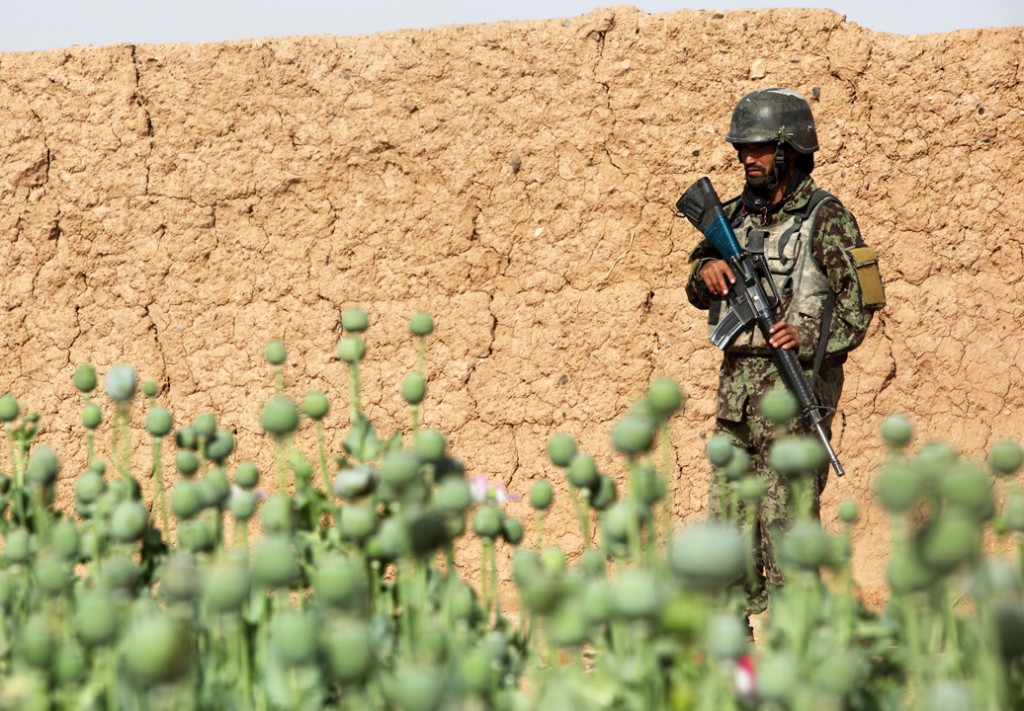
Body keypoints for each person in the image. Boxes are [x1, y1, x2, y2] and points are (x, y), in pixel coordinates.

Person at [684, 88, 883, 615]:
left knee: (789, 538)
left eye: (761, 148)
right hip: (737, 407)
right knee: (726, 539)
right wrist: (705, 272)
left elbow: (862, 304)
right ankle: (734, 670)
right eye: (743, 149)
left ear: (791, 150)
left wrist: (810, 337)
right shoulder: (728, 218)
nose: (749, 158)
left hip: (795, 405)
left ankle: (801, 668)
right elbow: (695, 283)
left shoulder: (829, 218)